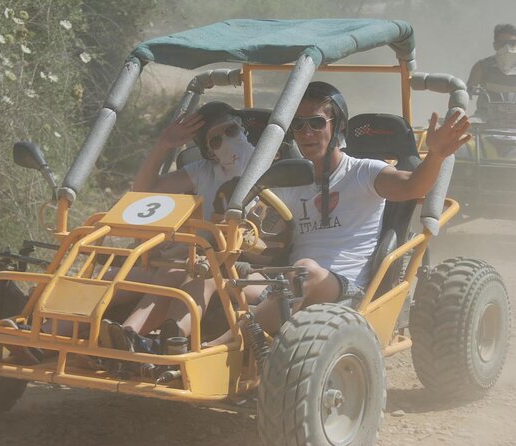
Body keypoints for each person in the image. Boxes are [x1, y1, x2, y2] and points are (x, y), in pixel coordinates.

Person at [207, 81, 471, 345]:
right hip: (287, 285)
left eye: (316, 123)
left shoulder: (364, 172)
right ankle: (172, 342)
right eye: (298, 124)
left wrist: (435, 156)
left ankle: (225, 346)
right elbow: (264, 236)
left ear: (338, 126)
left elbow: (413, 186)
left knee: (304, 270)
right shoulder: (290, 178)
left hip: (345, 291)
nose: (306, 132)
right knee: (210, 271)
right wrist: (238, 230)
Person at [102, 101, 269, 352]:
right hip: (197, 259)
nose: (226, 142)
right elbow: (143, 193)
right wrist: (163, 146)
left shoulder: (270, 160)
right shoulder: (205, 171)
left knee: (174, 273)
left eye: (231, 132)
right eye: (215, 140)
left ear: (243, 129)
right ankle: (48, 331)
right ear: (209, 152)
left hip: (242, 264)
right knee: (111, 276)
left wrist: (242, 224)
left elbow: (280, 225)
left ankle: (129, 335)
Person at [467, 23, 516, 114]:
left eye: (512, 43)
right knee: (469, 125)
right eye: (502, 43)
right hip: (486, 118)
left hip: (514, 121)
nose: (507, 47)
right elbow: (466, 93)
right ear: (495, 45)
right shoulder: (482, 66)